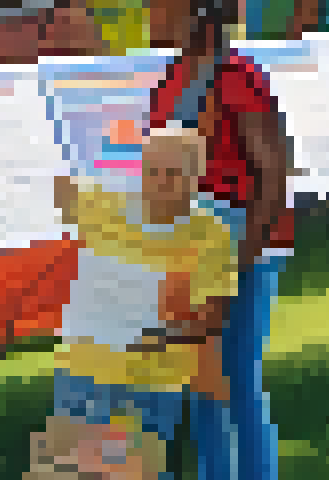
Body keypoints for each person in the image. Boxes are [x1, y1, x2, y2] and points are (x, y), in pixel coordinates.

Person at [143, 0, 296, 480]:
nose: (150, 5)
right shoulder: (167, 85)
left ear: (200, 11)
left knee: (235, 375)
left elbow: (273, 172)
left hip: (245, 241)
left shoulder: (236, 78)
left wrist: (241, 258)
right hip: (192, 247)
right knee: (204, 378)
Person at [37, 126, 237, 480]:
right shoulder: (103, 205)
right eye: (152, 171)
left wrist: (160, 338)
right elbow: (45, 179)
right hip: (86, 369)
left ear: (196, 178)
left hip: (154, 379)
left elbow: (211, 318)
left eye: (173, 173)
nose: (160, 182)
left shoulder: (212, 235)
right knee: (69, 473)